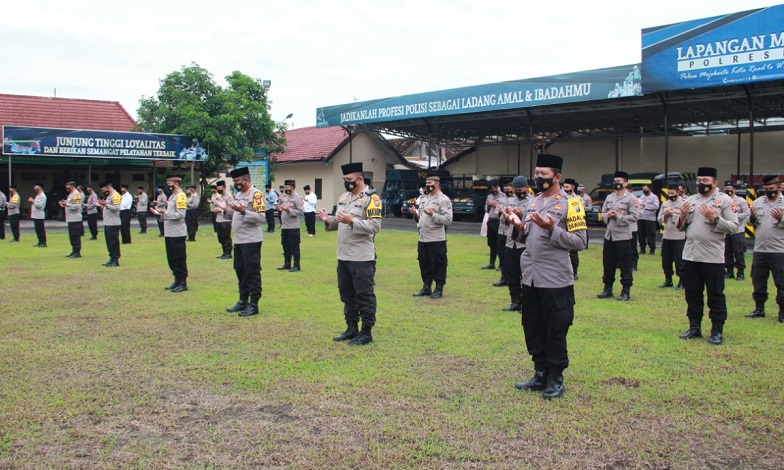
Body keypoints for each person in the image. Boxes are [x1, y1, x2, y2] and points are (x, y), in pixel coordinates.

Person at [506, 154, 587, 399]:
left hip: (555, 278)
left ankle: (555, 377)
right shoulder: (532, 203)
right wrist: (518, 227)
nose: (538, 178)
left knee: (555, 329)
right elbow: (525, 238)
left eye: (544, 174)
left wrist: (551, 228)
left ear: (557, 177)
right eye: (536, 173)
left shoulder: (572, 204)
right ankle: (539, 373)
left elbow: (580, 242)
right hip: (530, 276)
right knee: (533, 327)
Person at [318, 162, 382, 345]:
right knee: (347, 294)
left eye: (350, 180)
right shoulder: (344, 197)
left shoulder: (372, 199)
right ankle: (352, 328)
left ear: (360, 179)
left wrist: (351, 220)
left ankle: (366, 332)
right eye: (345, 180)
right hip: (343, 255)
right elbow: (338, 222)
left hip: (361, 257)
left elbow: (375, 226)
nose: (347, 183)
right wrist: (326, 219)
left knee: (364, 294)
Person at [677, 167, 739, 345]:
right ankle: (694, 327)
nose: (701, 183)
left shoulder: (725, 201)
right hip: (691, 254)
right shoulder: (691, 200)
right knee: (692, 293)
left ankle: (716, 330)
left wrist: (715, 218)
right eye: (699, 180)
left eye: (705, 180)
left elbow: (734, 227)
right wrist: (681, 215)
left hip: (712, 256)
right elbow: (681, 227)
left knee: (715, 294)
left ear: (715, 182)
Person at [217, 167, 266, 317]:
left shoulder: (256, 195)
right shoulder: (238, 194)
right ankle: (242, 300)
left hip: (251, 240)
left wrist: (244, 211)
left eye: (237, 181)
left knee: (252, 272)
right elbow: (234, 213)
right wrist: (226, 208)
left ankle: (254, 303)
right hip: (239, 240)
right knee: (240, 270)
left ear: (245, 180)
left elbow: (261, 218)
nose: (235, 184)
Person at [746, 175, 784, 323]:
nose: (768, 191)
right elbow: (750, 222)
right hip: (760, 249)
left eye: (771, 189)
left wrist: (781, 218)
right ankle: (759, 308)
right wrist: (752, 217)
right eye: (766, 189)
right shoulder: (758, 201)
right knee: (758, 280)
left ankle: (782, 311)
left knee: (781, 282)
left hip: (779, 250)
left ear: (779, 187)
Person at [597, 171, 639, 301]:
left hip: (623, 236)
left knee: (625, 264)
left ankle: (625, 290)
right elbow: (602, 213)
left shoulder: (631, 199)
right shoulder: (609, 197)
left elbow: (634, 216)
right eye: (615, 182)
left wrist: (618, 216)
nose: (616, 184)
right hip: (609, 236)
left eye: (619, 182)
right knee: (608, 263)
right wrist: (607, 216)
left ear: (626, 183)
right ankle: (607, 288)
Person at [410, 174, 452, 299]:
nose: (427, 185)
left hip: (436, 238)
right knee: (424, 263)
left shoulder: (444, 199)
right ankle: (426, 287)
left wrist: (433, 215)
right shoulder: (424, 199)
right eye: (426, 183)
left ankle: (439, 288)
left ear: (437, 184)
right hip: (423, 238)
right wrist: (415, 214)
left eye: (430, 183)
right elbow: (421, 218)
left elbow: (448, 220)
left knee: (438, 263)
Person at [150, 175, 189, 292]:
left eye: (170, 184)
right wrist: (161, 213)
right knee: (171, 258)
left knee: (179, 258)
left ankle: (183, 282)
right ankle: (176, 280)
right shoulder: (172, 196)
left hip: (177, 233)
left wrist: (164, 214)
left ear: (176, 184)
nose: (168, 186)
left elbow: (181, 215)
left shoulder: (181, 196)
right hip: (170, 233)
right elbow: (170, 213)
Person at [500, 176, 530, 311]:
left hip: (524, 244)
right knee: (511, 273)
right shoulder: (510, 200)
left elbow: (533, 221)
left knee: (525, 275)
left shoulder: (532, 202)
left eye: (520, 189)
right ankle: (515, 301)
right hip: (510, 242)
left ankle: (525, 303)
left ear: (527, 188)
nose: (518, 192)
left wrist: (521, 215)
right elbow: (503, 222)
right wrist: (505, 214)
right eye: (515, 190)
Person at [657, 183, 686, 289]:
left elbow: (685, 220)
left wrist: (672, 215)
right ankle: (668, 280)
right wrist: (665, 215)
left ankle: (682, 281)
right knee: (666, 260)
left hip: (679, 236)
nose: (670, 195)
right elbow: (659, 219)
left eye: (672, 193)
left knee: (679, 260)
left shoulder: (683, 203)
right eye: (669, 193)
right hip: (667, 236)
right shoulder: (665, 204)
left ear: (678, 192)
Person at [722, 181, 749, 280]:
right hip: (726, 230)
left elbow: (747, 212)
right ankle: (729, 271)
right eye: (726, 188)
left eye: (730, 188)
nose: (728, 190)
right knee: (727, 252)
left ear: (734, 189)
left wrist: (735, 217)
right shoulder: (722, 200)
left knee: (739, 252)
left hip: (738, 230)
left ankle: (740, 272)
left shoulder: (740, 200)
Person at [275, 180, 304, 272]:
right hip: (285, 227)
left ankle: (296, 265)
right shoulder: (285, 197)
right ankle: (287, 264)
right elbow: (282, 207)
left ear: (292, 187)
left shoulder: (297, 198)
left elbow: (301, 212)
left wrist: (289, 210)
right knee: (285, 246)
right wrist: (279, 208)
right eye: (285, 188)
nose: (285, 189)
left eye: (287, 188)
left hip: (293, 227)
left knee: (294, 247)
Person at [95, 181, 122, 267]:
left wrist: (106, 204)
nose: (103, 192)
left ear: (108, 188)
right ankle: (111, 258)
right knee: (109, 243)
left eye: (104, 190)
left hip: (113, 223)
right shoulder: (109, 196)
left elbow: (117, 208)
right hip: (108, 222)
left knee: (114, 242)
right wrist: (101, 205)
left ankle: (115, 260)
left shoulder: (116, 195)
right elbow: (107, 207)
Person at [492, 179, 513, 286]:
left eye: (508, 190)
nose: (507, 192)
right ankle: (504, 277)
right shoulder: (501, 199)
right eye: (505, 190)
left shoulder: (518, 199)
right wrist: (500, 212)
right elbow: (496, 214)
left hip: (512, 232)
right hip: (502, 231)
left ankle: (512, 278)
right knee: (502, 255)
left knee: (511, 257)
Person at [59, 181, 83, 258]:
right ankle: (74, 251)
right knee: (72, 236)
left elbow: (77, 206)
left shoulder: (76, 194)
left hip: (75, 219)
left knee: (75, 236)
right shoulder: (71, 194)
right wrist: (64, 203)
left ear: (72, 187)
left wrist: (67, 204)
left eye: (68, 187)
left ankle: (77, 252)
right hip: (71, 219)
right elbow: (71, 204)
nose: (67, 189)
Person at [482, 179, 503, 270]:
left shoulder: (503, 196)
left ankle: (501, 264)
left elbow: (503, 207)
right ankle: (491, 263)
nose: (491, 190)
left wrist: (495, 204)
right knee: (491, 243)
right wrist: (487, 204)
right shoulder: (489, 196)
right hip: (490, 221)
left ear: (496, 187)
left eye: (492, 188)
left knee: (499, 244)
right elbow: (486, 210)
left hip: (498, 221)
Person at [562, 178, 581, 279]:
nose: (565, 189)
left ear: (572, 187)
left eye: (567, 187)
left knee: (573, 251)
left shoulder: (578, 199)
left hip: (573, 226)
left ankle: (574, 272)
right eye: (564, 187)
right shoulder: (560, 198)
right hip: (563, 227)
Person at [211, 180, 233, 259]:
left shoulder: (229, 196)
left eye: (219, 188)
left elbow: (230, 208)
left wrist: (221, 210)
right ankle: (224, 252)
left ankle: (228, 253)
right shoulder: (219, 196)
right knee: (220, 237)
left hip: (226, 220)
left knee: (226, 237)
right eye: (217, 188)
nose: (218, 189)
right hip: (219, 219)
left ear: (224, 187)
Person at [637, 184, 660, 254]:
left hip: (650, 219)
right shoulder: (642, 197)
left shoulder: (654, 197)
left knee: (651, 234)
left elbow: (656, 206)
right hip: (641, 218)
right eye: (643, 189)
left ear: (649, 189)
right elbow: (638, 205)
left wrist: (645, 205)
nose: (644, 191)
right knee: (641, 234)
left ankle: (652, 249)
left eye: (645, 189)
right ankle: (642, 248)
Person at [28, 182, 47, 247]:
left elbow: (40, 206)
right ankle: (39, 242)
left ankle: (43, 242)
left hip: (39, 216)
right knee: (37, 230)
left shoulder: (42, 196)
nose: (35, 189)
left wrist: (33, 201)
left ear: (40, 188)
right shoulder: (38, 195)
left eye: (36, 188)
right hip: (35, 215)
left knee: (41, 230)